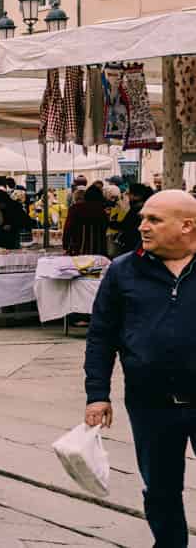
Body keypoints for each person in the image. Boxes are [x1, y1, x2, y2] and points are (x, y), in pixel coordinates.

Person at [84, 189, 196, 547]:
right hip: (151, 402)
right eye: (143, 218)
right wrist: (97, 395)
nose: (142, 226)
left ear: (186, 226)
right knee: (160, 487)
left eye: (154, 220)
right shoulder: (122, 271)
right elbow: (101, 337)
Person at [63, 184, 112, 256]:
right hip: (98, 251)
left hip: (79, 250)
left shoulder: (75, 209)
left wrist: (66, 245)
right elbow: (105, 227)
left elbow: (68, 228)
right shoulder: (101, 211)